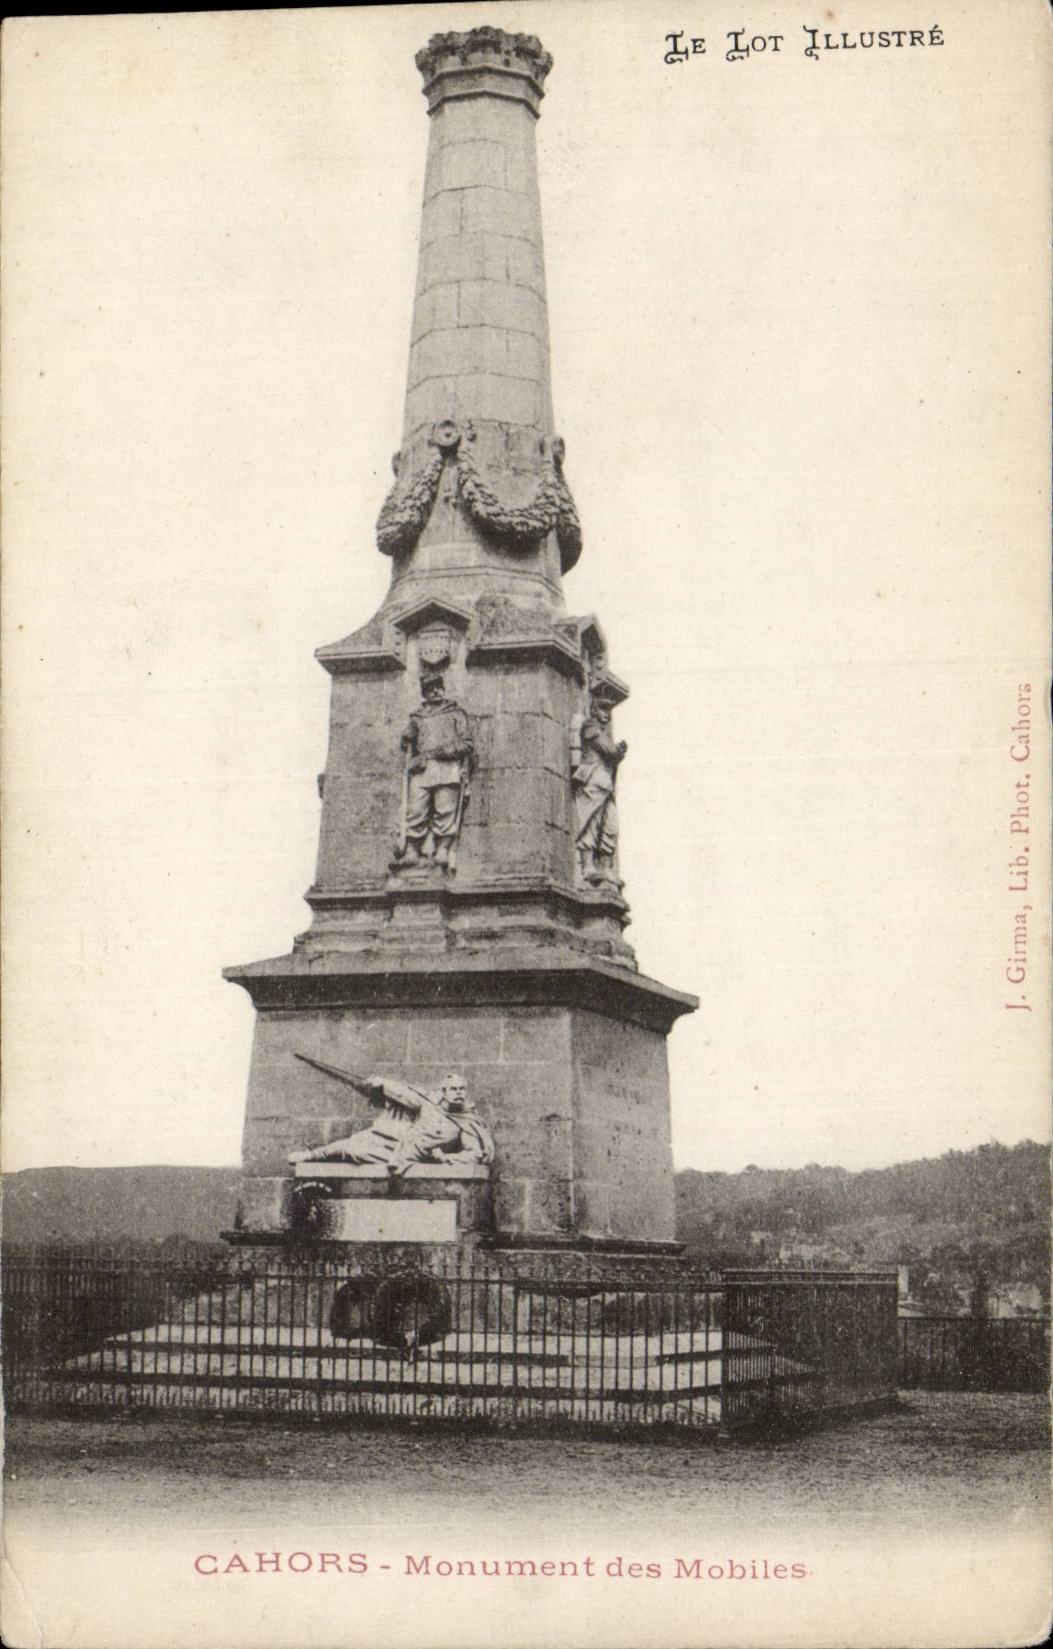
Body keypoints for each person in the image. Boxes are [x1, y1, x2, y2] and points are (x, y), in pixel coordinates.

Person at [288, 1072, 494, 1178]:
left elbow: (475, 1154)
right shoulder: (429, 1103)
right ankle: (311, 1156)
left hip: (408, 1158)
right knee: (349, 1145)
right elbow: (405, 1093)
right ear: (444, 1091)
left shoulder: (466, 1122)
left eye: (462, 1089)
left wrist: (446, 1158)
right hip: (396, 1143)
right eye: (454, 1089)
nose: (458, 1092)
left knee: (356, 1152)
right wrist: (382, 1083)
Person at [395, 671, 473, 867]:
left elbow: (467, 744)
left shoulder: (456, 713)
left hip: (447, 767)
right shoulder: (417, 717)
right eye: (431, 689)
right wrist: (406, 739)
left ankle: (443, 849)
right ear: (425, 693)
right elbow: (408, 744)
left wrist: (446, 750)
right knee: (415, 810)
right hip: (422, 767)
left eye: (439, 687)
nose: (436, 691)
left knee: (445, 810)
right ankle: (412, 850)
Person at [571, 684, 627, 884]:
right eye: (603, 709)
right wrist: (618, 751)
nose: (607, 714)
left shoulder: (600, 731)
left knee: (611, 825)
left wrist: (617, 752)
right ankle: (588, 867)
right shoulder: (591, 728)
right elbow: (609, 751)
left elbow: (612, 752)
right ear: (593, 710)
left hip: (605, 786)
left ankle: (605, 868)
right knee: (590, 825)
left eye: (609, 710)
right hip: (593, 783)